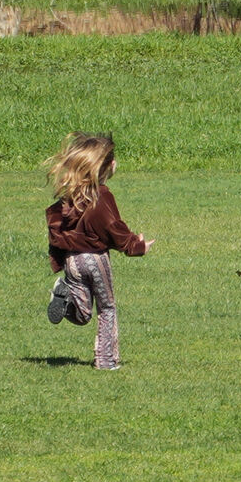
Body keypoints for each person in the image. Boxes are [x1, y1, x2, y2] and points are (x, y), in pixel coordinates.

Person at [41, 132, 151, 370]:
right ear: (108, 166)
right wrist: (137, 245)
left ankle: (65, 296)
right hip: (95, 260)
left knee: (82, 314)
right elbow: (114, 229)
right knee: (107, 308)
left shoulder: (72, 195)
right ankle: (106, 360)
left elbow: (58, 226)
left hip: (72, 261)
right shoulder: (102, 196)